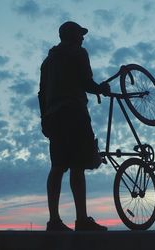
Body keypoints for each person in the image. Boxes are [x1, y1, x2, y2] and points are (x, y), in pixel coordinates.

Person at [38, 21, 110, 231]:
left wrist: (45, 118)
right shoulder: (78, 53)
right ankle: (82, 220)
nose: (83, 37)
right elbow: (86, 82)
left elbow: (42, 93)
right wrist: (101, 89)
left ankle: (54, 221)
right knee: (78, 166)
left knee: (58, 166)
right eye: (80, 34)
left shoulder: (47, 62)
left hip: (53, 117)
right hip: (74, 113)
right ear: (72, 36)